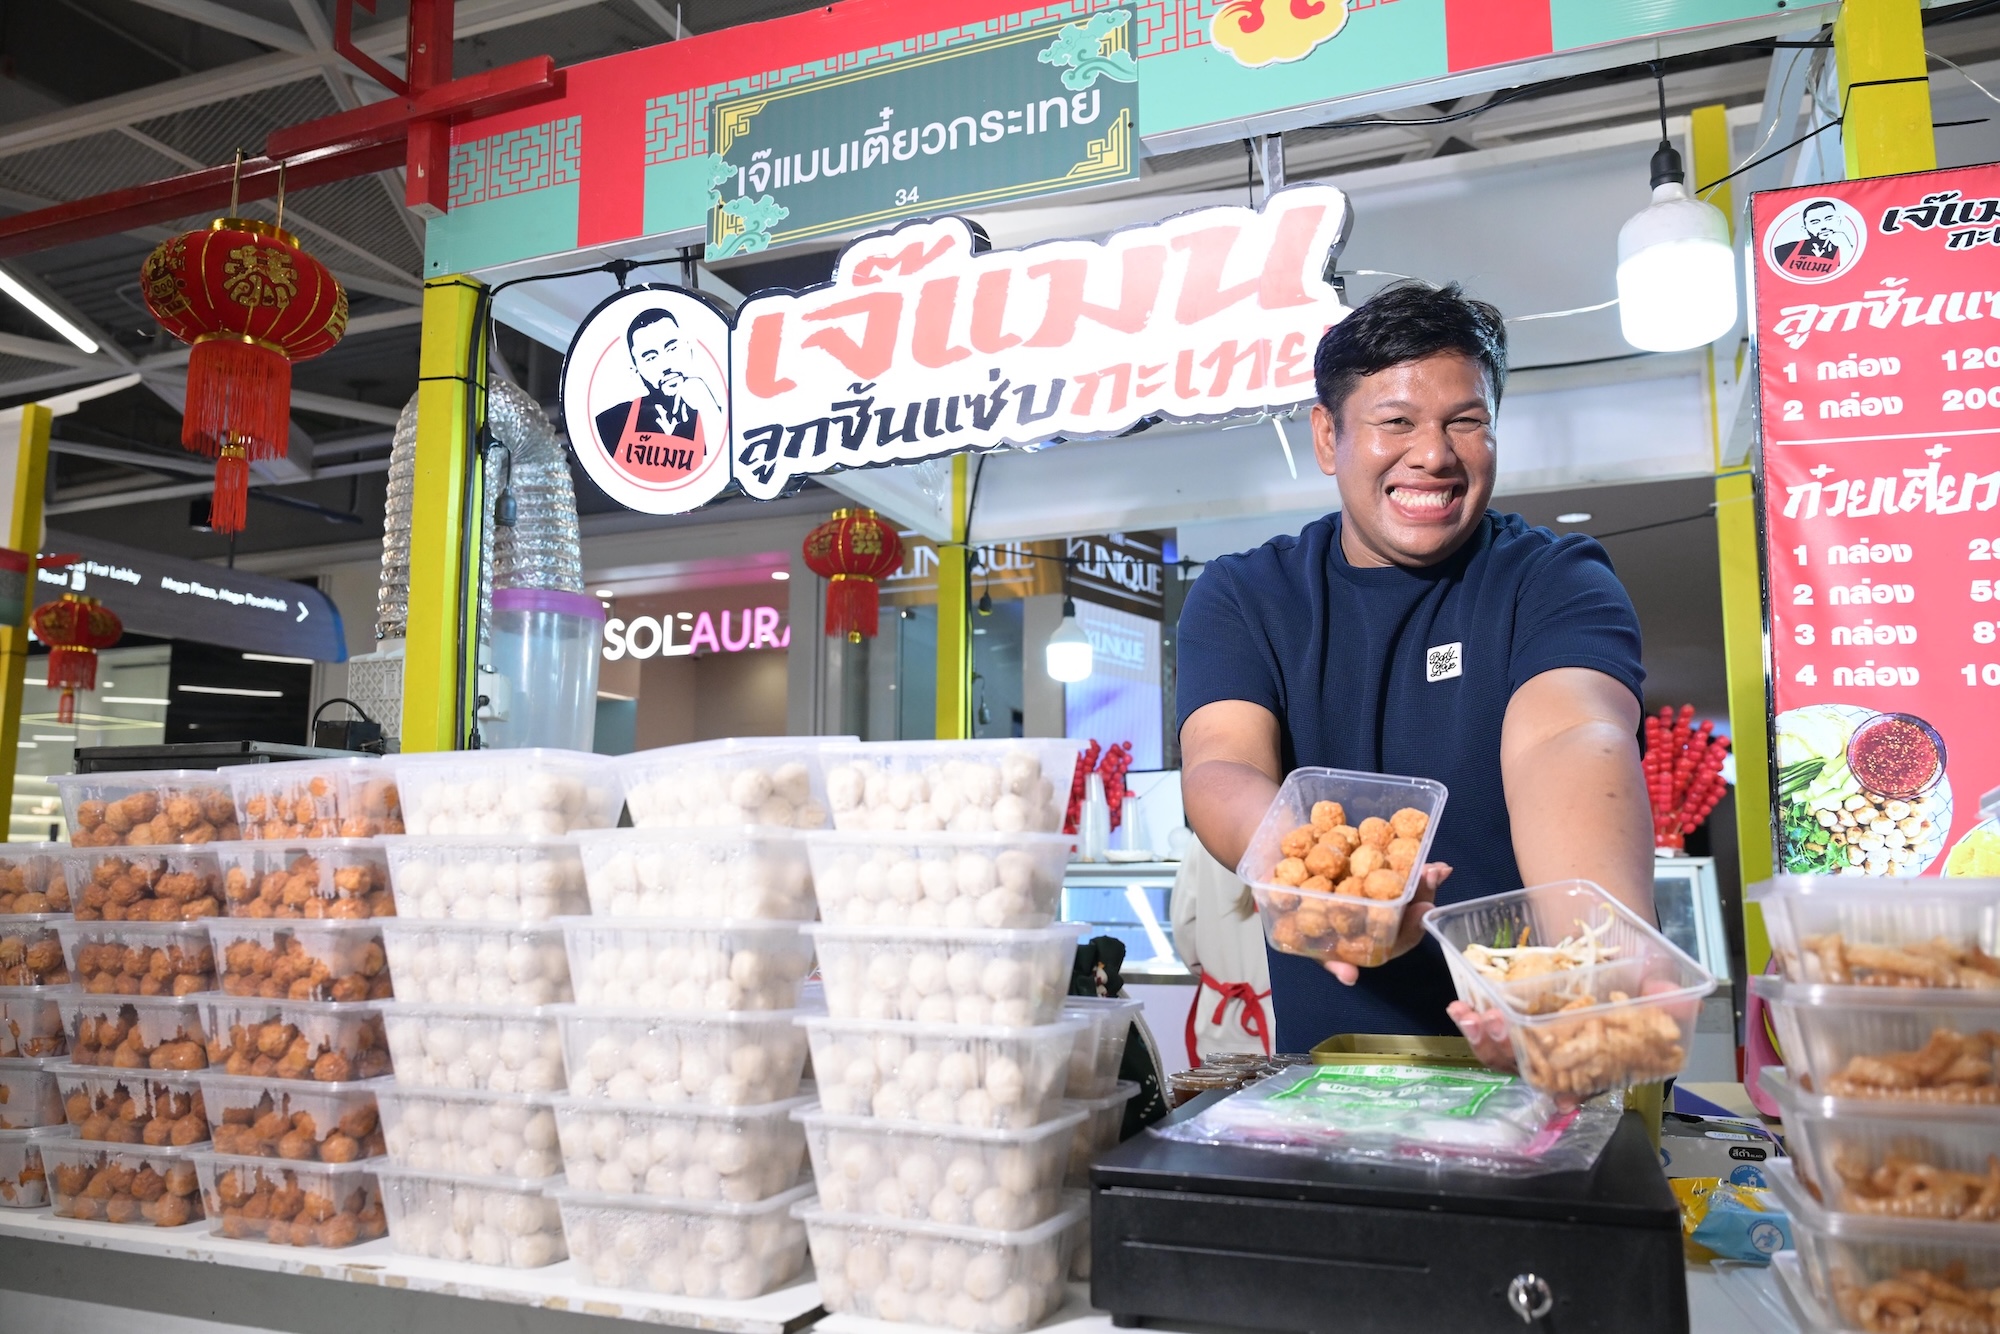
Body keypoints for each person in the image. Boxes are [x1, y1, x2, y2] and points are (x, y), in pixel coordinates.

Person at [1174, 280, 1654, 1065]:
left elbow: (1570, 736)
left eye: (1466, 422)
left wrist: (1590, 972)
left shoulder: (1555, 579)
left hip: (1545, 1060)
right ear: (1327, 436)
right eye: (1396, 421)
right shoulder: (1247, 595)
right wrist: (1319, 877)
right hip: (1336, 1075)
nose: (1433, 453)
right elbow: (1222, 765)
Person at [594, 306, 724, 481]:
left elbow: (728, 469)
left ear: (689, 347)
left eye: (672, 348)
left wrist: (708, 409)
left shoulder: (723, 417)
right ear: (636, 369)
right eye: (651, 357)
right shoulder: (610, 423)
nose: (666, 365)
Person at [1773, 200, 1845, 278]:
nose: (1823, 226)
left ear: (1838, 220)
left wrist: (1845, 245)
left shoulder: (1849, 251)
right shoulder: (1784, 251)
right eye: (1815, 222)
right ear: (1804, 229)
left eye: (1829, 219)